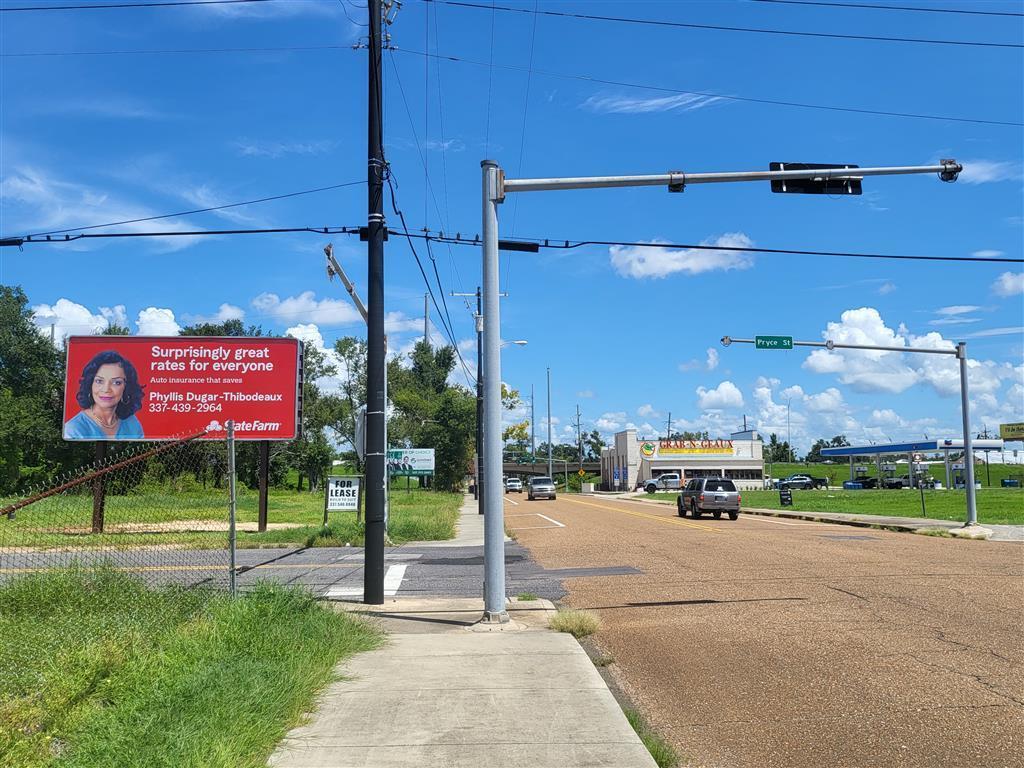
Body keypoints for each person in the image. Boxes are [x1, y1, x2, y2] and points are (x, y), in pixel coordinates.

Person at [63, 350, 145, 439]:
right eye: (99, 381)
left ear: (126, 387)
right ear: (90, 384)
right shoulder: (73, 429)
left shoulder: (132, 423)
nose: (106, 389)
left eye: (116, 382)